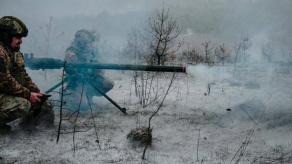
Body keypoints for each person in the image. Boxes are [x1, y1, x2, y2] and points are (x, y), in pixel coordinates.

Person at [0, 16, 54, 132]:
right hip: (3, 90)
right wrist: (29, 95)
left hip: (4, 92)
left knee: (42, 104)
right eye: (17, 37)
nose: (20, 41)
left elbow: (22, 76)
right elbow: (6, 82)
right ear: (6, 36)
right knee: (23, 105)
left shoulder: (14, 52)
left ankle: (26, 127)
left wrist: (37, 92)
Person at [64, 29, 113, 110]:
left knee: (108, 83)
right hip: (76, 82)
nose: (88, 44)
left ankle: (89, 94)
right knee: (82, 105)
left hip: (91, 79)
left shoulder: (92, 50)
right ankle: (69, 96)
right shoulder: (72, 51)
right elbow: (69, 69)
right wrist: (77, 73)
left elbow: (100, 67)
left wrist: (96, 72)